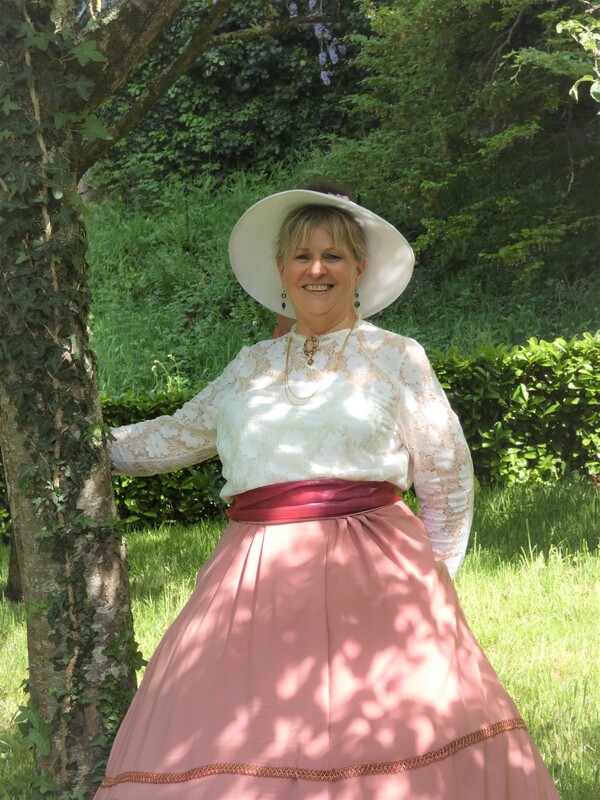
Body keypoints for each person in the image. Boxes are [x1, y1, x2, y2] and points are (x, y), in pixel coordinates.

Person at [95, 187, 560, 799]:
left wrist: (433, 587)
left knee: (384, 736)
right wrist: (78, 442)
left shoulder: (396, 357)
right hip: (251, 576)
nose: (317, 269)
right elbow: (171, 437)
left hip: (377, 576)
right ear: (281, 271)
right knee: (237, 738)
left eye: (333, 256)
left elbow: (446, 475)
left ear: (360, 269)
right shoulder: (250, 366)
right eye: (301, 257)